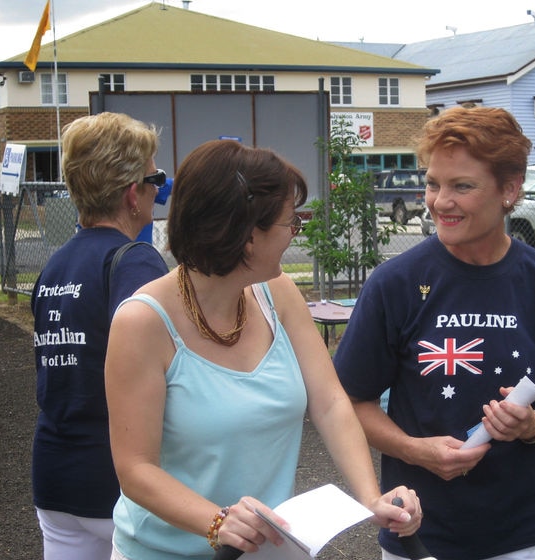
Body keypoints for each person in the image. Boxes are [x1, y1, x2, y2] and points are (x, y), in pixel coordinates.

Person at [104, 139, 422, 560]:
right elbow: (135, 469)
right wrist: (217, 521)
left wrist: (371, 497)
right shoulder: (142, 322)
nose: (296, 233)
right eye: (290, 223)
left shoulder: (278, 292)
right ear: (247, 235)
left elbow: (328, 402)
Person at [334, 106, 535, 560]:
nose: (441, 201)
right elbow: (349, 403)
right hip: (417, 531)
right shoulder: (395, 283)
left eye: (462, 186)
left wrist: (533, 425)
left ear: (510, 189)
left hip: (522, 533)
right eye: (433, 183)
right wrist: (414, 450)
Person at [30, 112, 169, 559]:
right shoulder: (135, 261)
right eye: (156, 177)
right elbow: (166, 364)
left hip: (54, 475)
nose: (159, 190)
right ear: (133, 194)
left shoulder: (55, 266)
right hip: (113, 481)